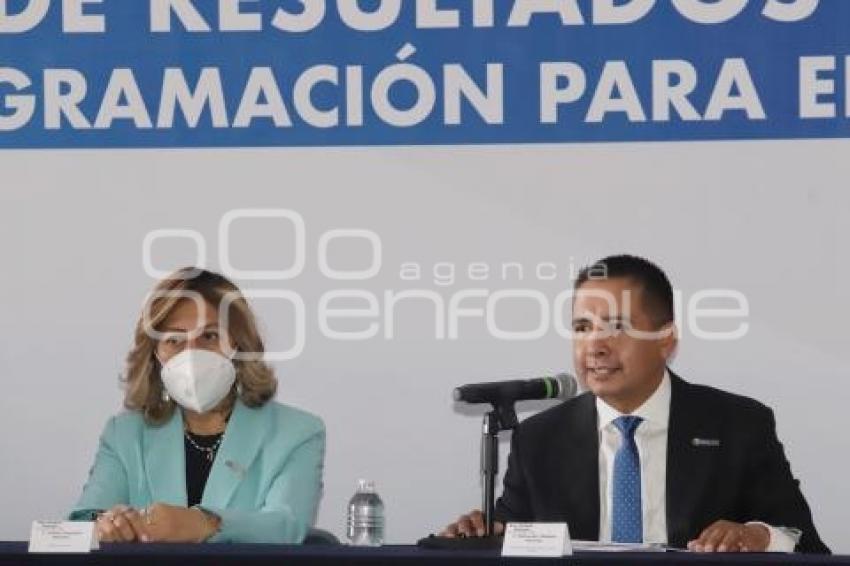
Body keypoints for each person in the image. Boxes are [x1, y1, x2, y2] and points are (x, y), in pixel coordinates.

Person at [440, 255, 829, 553]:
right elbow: (515, 535)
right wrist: (488, 533)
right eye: (582, 328)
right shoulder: (539, 439)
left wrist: (758, 536)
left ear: (666, 339)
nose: (595, 345)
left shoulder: (738, 426)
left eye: (617, 327)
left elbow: (804, 542)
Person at [69, 267, 325, 544]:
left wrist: (203, 524)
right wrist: (109, 527)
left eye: (210, 336)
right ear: (155, 355)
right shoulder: (124, 434)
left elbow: (287, 527)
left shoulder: (296, 433)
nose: (192, 353)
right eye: (174, 340)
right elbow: (82, 525)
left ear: (239, 345)